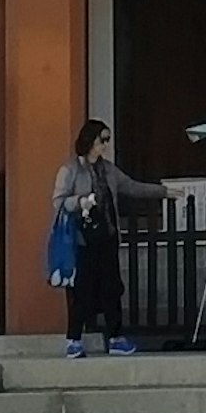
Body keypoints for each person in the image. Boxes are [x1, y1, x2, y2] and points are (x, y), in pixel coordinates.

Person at [49, 117, 160, 357]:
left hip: (107, 236)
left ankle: (115, 337)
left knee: (112, 288)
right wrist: (80, 201)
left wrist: (163, 191)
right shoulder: (70, 169)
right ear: (90, 140)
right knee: (81, 290)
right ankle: (74, 339)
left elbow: (130, 186)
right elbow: (58, 202)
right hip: (83, 238)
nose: (105, 145)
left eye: (107, 140)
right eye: (102, 140)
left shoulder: (107, 169)